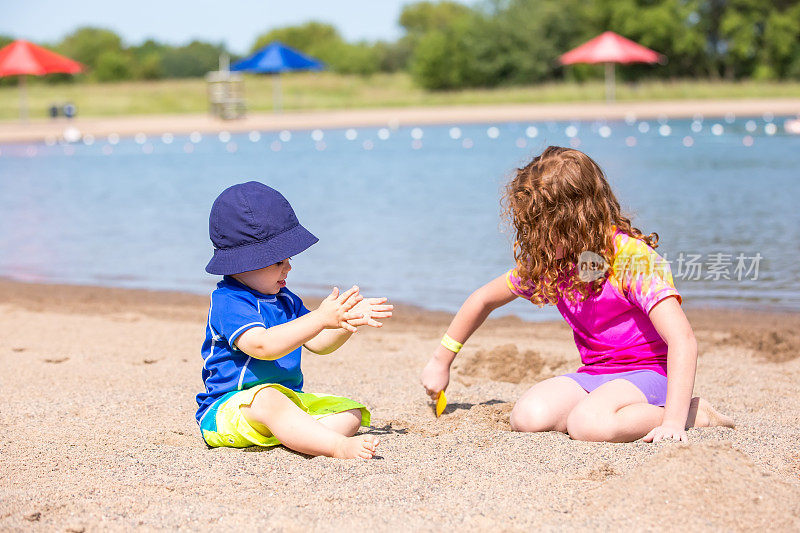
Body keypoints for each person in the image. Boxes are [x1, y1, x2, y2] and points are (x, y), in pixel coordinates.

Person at [420, 146, 733, 443]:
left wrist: (674, 423)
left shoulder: (631, 259)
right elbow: (484, 299)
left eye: (542, 231)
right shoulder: (554, 262)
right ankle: (612, 411)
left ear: (576, 221)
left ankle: (695, 414)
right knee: (528, 417)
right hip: (596, 374)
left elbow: (683, 340)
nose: (533, 240)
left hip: (651, 374)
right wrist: (441, 360)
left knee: (587, 424)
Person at [196, 182, 392, 459]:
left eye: (288, 258)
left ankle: (297, 434)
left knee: (350, 413)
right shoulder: (230, 301)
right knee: (268, 399)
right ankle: (334, 446)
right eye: (278, 261)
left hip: (287, 401)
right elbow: (262, 346)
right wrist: (320, 317)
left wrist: (346, 322)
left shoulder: (285, 298)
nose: (289, 266)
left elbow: (320, 343)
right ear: (242, 262)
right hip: (230, 409)